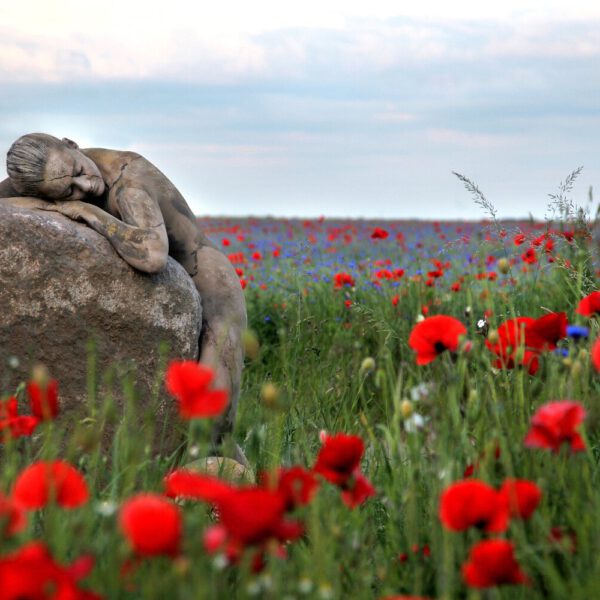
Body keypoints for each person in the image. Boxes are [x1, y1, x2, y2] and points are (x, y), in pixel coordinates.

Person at [0, 133, 247, 463]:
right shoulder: (49, 172)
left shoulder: (128, 183)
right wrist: (47, 205)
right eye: (69, 190)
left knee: (211, 428)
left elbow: (152, 255)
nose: (84, 186)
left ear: (71, 143)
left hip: (212, 286)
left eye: (78, 171)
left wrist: (87, 213)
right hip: (165, 296)